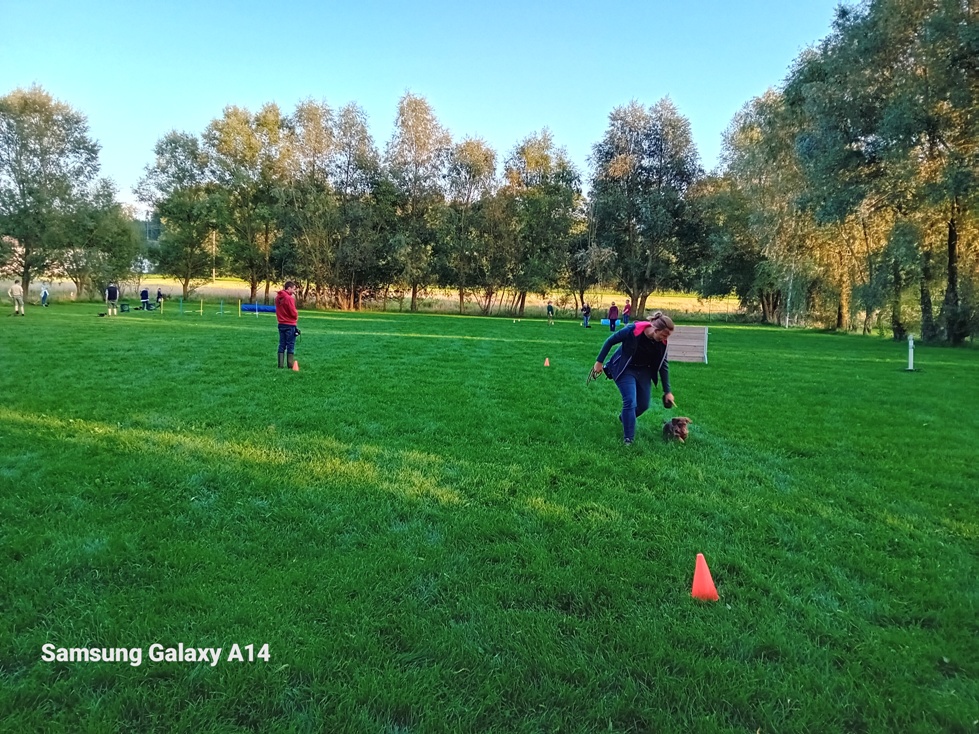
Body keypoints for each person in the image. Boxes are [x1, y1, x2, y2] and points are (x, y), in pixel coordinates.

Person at [592, 311, 676, 445]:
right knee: (630, 401)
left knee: (643, 405)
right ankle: (628, 439)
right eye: (664, 334)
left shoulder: (662, 343)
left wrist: (667, 391)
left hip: (644, 372)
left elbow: (663, 365)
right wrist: (599, 362)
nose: (665, 338)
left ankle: (625, 417)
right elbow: (610, 341)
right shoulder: (633, 330)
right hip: (625, 369)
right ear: (655, 329)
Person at [275, 280, 299, 369]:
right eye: (293, 289)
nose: (294, 292)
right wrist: (296, 315)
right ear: (288, 288)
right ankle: (290, 365)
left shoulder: (278, 298)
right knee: (290, 344)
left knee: (282, 344)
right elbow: (293, 312)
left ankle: (280, 365)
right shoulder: (289, 299)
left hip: (281, 324)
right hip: (290, 324)